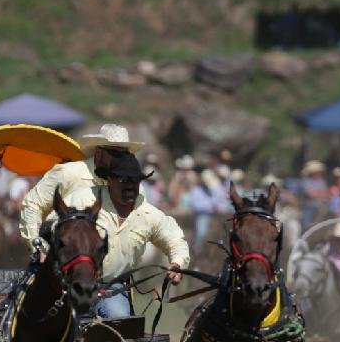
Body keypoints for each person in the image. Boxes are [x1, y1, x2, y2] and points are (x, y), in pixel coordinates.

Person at [66, 151, 189, 319]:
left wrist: (177, 263)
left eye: (135, 180)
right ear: (109, 180)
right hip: (72, 284)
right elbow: (54, 224)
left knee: (119, 317)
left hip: (111, 287)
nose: (130, 185)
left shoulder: (148, 214)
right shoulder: (83, 199)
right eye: (123, 180)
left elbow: (175, 240)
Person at [19, 123, 145, 250]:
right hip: (59, 256)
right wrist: (38, 247)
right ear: (98, 153)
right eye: (115, 153)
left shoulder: (132, 187)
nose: (121, 159)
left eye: (125, 154)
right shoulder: (69, 173)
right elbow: (33, 204)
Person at [189, 168, 230, 254]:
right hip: (204, 215)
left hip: (216, 215)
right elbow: (196, 206)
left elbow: (223, 203)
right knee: (202, 232)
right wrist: (211, 207)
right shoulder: (196, 191)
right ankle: (198, 249)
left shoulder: (215, 190)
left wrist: (219, 207)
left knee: (225, 232)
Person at [299, 160, 329, 228]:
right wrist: (320, 193)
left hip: (321, 207)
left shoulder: (321, 181)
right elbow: (311, 194)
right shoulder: (305, 181)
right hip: (309, 207)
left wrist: (317, 193)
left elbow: (326, 194)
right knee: (306, 226)